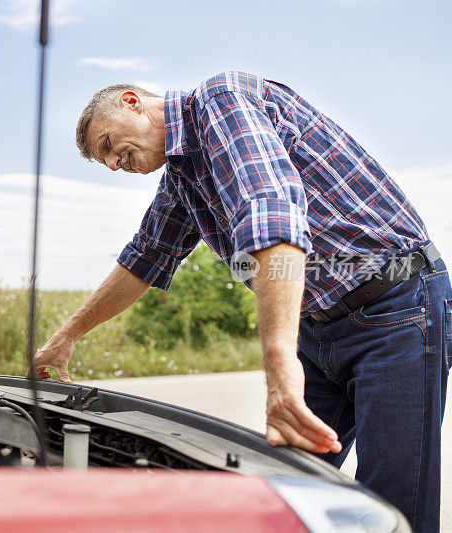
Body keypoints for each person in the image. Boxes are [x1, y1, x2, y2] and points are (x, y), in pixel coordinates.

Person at [30, 71, 451, 532]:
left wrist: (277, 355)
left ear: (132, 102)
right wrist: (66, 336)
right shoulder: (182, 179)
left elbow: (270, 207)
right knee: (288, 490)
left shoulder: (221, 99)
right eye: (104, 161)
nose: (112, 162)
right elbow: (144, 259)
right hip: (318, 325)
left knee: (394, 503)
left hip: (396, 306)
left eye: (108, 144)